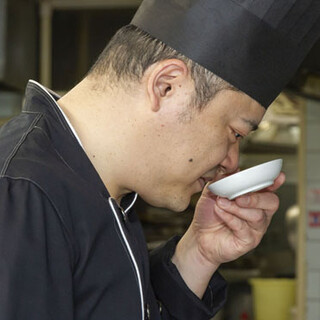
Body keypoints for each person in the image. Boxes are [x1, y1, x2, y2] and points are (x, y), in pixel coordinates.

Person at [0, 0, 319, 319]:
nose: (230, 162)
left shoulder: (105, 194)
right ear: (166, 86)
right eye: (235, 133)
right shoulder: (22, 195)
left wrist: (199, 253)